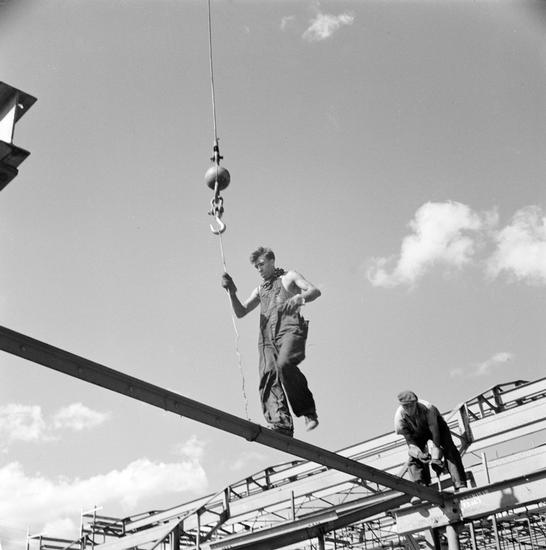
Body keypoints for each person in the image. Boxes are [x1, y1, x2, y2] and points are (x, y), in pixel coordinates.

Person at [221, 246, 321, 437]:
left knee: (285, 364)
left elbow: (314, 291)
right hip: (266, 336)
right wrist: (232, 292)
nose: (259, 269)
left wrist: (299, 298)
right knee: (268, 375)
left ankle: (308, 412)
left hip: (288, 328)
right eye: (256, 267)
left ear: (272, 261)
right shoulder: (260, 289)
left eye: (261, 264)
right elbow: (241, 312)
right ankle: (281, 423)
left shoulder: (289, 277)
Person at [394, 390, 467, 501]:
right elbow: (411, 443)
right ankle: (420, 489)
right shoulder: (399, 420)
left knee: (449, 449)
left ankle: (459, 483)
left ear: (416, 403)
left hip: (437, 427)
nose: (409, 409)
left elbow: (435, 434)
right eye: (406, 406)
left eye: (411, 406)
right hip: (416, 433)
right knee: (413, 459)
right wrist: (419, 454)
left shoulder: (428, 409)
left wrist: (435, 458)